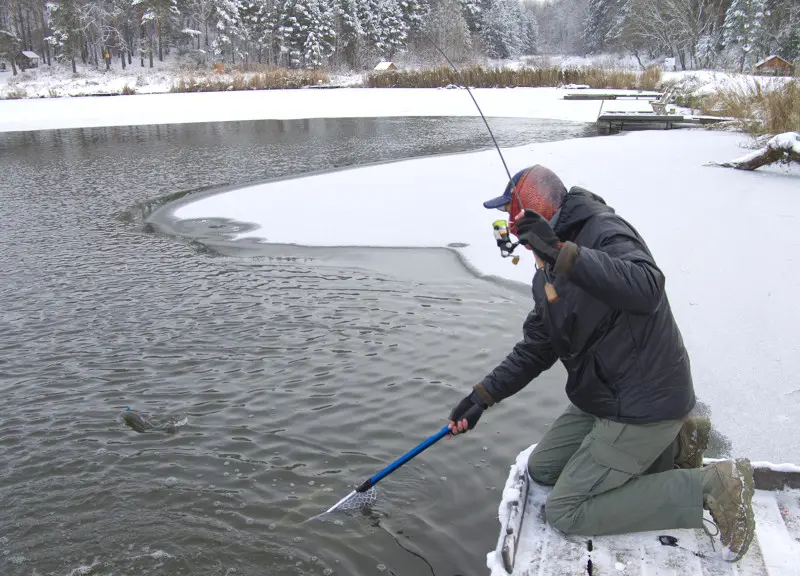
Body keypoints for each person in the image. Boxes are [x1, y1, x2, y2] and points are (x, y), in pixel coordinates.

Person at [447, 165, 756, 562]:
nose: (510, 227)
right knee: (542, 469)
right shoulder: (545, 275)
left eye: (513, 214)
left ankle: (713, 485)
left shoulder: (603, 230)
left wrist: (562, 253)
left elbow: (647, 288)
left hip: (645, 400)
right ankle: (675, 445)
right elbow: (537, 347)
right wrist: (481, 398)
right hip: (604, 397)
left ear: (538, 209)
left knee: (566, 511)